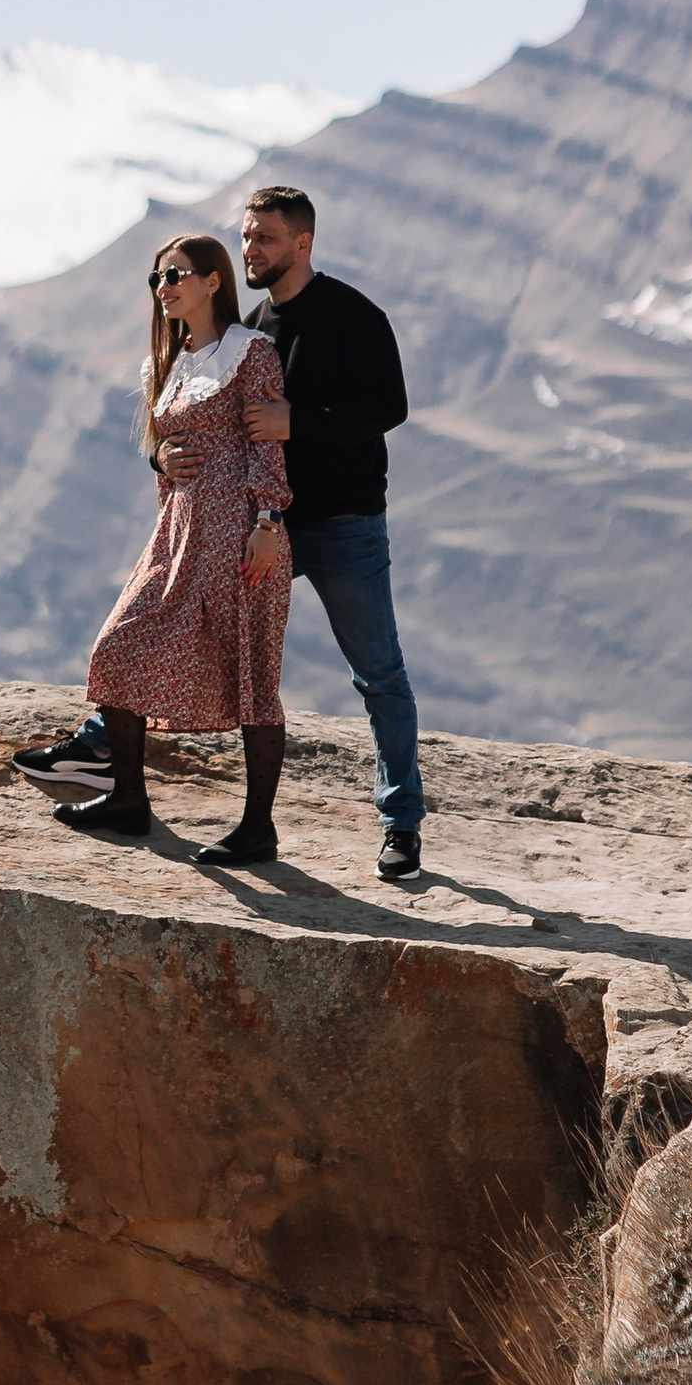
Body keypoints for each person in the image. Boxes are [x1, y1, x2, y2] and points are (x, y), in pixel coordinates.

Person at [39, 235, 292, 867]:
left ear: (213, 281)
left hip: (240, 529)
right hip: (178, 532)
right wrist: (161, 456)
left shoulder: (250, 351)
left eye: (175, 275)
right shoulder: (166, 361)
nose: (163, 287)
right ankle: (129, 800)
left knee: (252, 672)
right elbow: (162, 450)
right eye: (156, 278)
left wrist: (267, 519)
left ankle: (257, 829)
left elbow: (268, 441)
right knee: (119, 646)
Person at [213, 183, 425, 879]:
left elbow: (387, 405)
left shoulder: (352, 315)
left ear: (302, 243)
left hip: (343, 525)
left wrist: (297, 422)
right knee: (202, 625)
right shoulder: (253, 326)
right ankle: (246, 822)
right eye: (247, 236)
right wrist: (167, 451)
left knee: (379, 675)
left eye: (265, 238)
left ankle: (401, 825)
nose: (251, 249)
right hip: (268, 525)